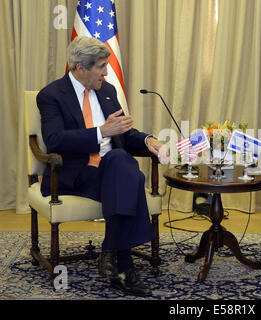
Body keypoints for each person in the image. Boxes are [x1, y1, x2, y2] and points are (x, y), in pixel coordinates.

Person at [36, 36, 168, 296]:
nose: (107, 72)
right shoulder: (51, 95)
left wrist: (148, 139)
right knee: (130, 175)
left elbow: (124, 134)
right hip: (75, 172)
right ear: (80, 67)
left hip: (111, 168)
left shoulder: (107, 91)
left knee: (121, 161)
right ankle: (124, 265)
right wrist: (100, 131)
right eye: (101, 66)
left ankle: (110, 251)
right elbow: (54, 140)